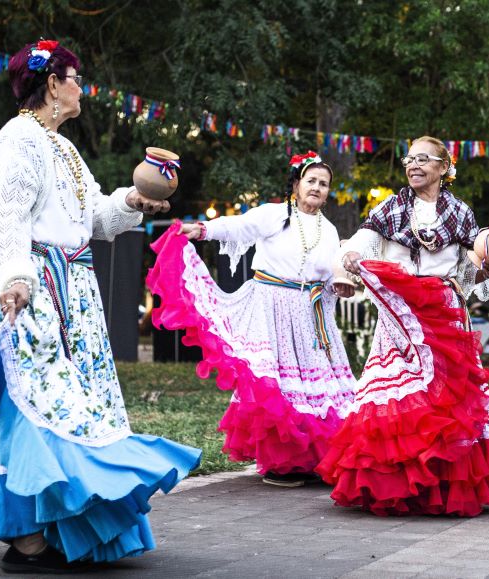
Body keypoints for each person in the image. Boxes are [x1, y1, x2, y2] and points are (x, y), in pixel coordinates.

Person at [0, 40, 202, 573]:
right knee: (34, 407)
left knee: (76, 410)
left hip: (73, 292)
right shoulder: (18, 139)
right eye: (74, 77)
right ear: (51, 85)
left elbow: (93, 215)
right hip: (32, 291)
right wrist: (16, 281)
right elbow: (8, 220)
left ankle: (61, 529)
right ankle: (24, 540)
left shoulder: (62, 147)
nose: (81, 88)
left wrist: (131, 203)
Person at [315, 136, 489, 516]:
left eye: (423, 159)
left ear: (444, 168)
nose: (413, 165)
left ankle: (445, 484)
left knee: (448, 398)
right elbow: (360, 242)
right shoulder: (390, 209)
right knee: (402, 396)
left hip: (444, 315)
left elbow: (470, 268)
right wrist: (349, 255)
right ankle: (398, 485)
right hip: (401, 315)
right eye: (409, 159)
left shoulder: (461, 214)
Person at [147, 151, 358, 487]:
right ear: (296, 183)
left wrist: (340, 285)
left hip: (309, 315)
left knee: (314, 386)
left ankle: (316, 457)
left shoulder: (329, 230)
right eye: (311, 181)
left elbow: (330, 273)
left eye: (324, 184)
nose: (317, 188)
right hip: (271, 307)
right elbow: (237, 226)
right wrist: (200, 230)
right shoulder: (275, 214)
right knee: (277, 384)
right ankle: (284, 461)